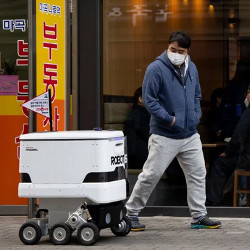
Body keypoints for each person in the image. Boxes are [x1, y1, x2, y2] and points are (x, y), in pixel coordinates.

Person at [125, 31, 221, 231]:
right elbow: (149, 100)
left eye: (180, 51)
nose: (175, 53)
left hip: (190, 134)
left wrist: (194, 117)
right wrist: (170, 120)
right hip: (164, 133)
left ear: (187, 52)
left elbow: (197, 95)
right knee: (151, 174)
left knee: (197, 173)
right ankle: (130, 213)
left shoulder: (192, 68)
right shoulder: (156, 69)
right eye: (172, 49)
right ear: (168, 47)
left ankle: (199, 216)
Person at [206, 86, 250, 206]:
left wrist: (228, 152)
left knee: (220, 163)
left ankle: (212, 201)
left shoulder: (249, 112)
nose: (246, 97)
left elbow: (239, 133)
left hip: (247, 160)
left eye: (247, 93)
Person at [125, 87, 150, 169]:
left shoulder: (141, 112)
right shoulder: (138, 114)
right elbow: (147, 134)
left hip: (144, 153)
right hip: (140, 157)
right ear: (141, 99)